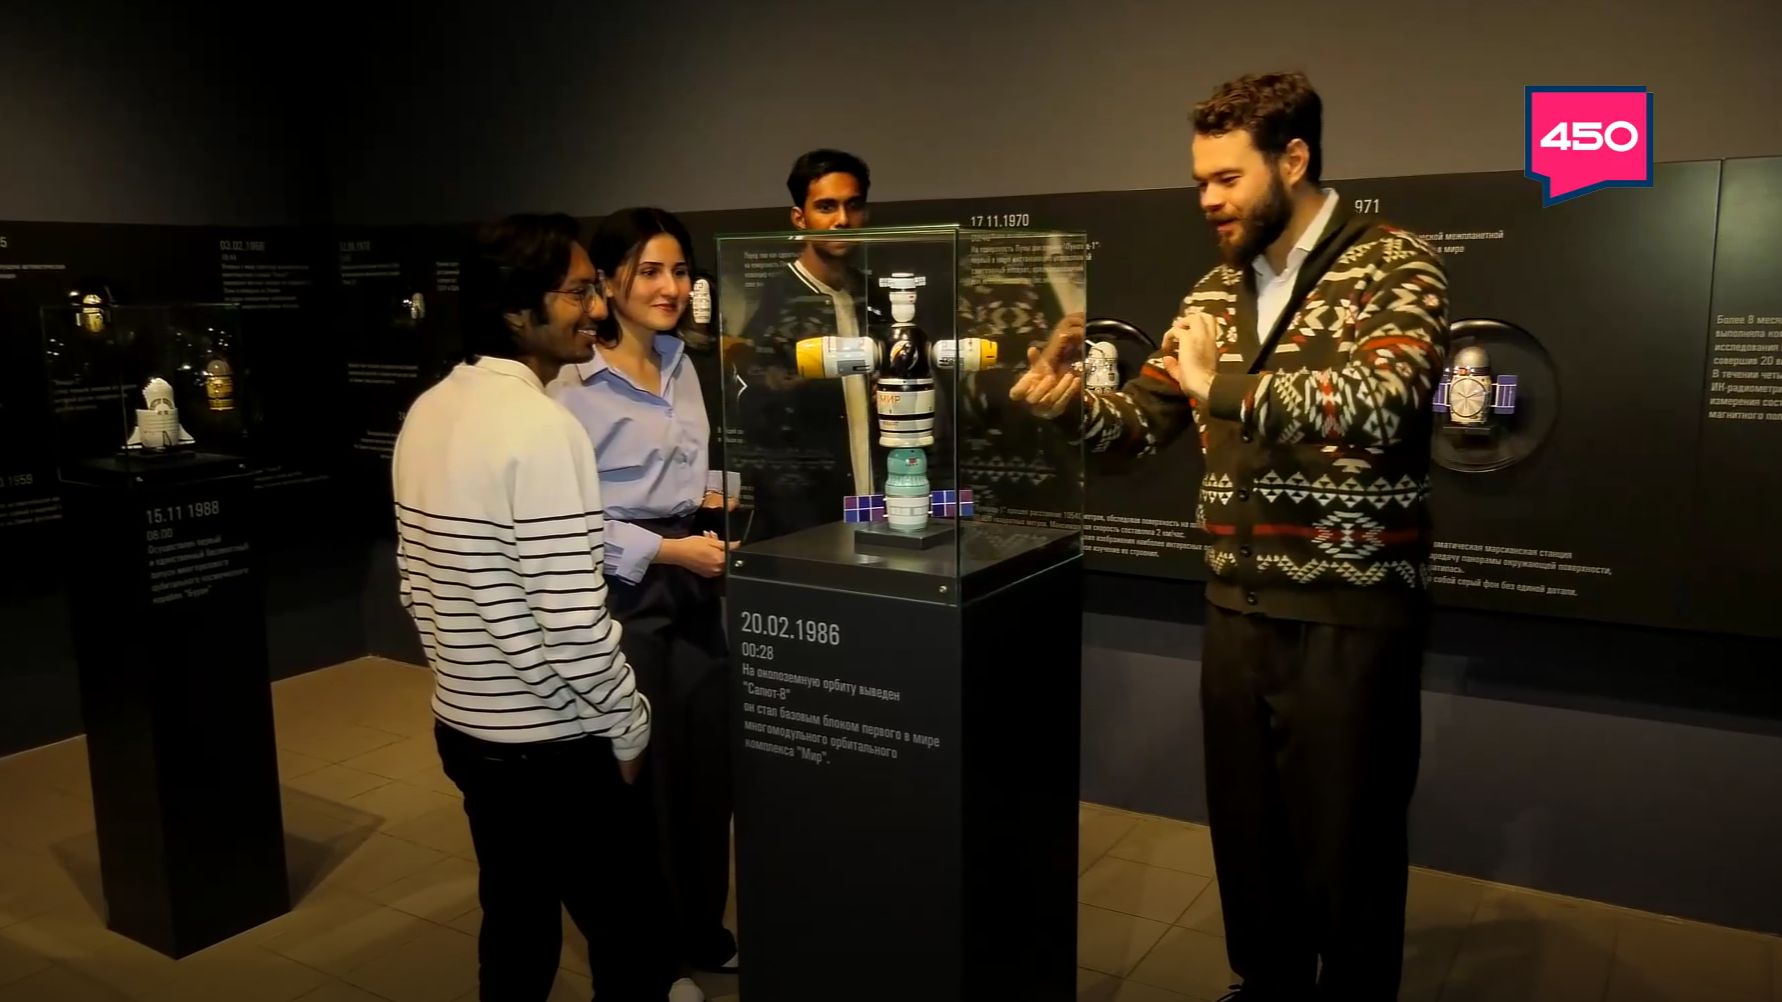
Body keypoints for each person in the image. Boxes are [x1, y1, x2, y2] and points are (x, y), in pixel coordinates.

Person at [1012, 72, 1450, 1000]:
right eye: (1199, 181)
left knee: (1351, 848)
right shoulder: (1216, 289)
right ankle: (1268, 984)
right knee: (1251, 839)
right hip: (1235, 608)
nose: (1208, 199)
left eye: (1226, 178)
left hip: (1351, 613)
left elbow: (1387, 402)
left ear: (1293, 159)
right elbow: (1142, 427)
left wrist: (1223, 387)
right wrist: (1067, 407)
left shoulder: (1394, 261)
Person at [392, 213, 672, 1001]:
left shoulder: (429, 409)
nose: (598, 310)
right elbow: (574, 625)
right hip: (554, 745)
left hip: (466, 729)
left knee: (515, 925)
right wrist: (628, 725)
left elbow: (415, 585)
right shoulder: (543, 429)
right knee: (630, 937)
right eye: (579, 292)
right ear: (517, 310)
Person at [549, 207, 735, 1001]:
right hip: (627, 589)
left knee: (704, 767)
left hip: (695, 578)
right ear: (608, 281)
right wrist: (668, 549)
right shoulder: (570, 387)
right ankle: (653, 961)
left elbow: (692, 470)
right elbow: (568, 519)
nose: (671, 288)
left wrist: (719, 504)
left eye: (681, 270)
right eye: (651, 271)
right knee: (642, 779)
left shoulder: (683, 362)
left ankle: (701, 928)